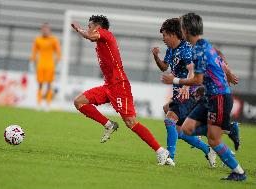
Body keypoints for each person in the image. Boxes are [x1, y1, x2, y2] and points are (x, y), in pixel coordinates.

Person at [71, 15, 169, 165]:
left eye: (90, 26)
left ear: (98, 27)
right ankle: (108, 124)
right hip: (108, 85)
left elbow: (90, 36)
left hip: (119, 85)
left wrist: (79, 29)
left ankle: (160, 151)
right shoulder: (101, 40)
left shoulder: (105, 34)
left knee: (130, 122)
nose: (88, 28)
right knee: (79, 102)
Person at [161, 12, 246, 181]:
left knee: (213, 140)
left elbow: (197, 79)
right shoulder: (202, 46)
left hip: (218, 96)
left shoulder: (198, 51)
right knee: (185, 129)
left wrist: (175, 79)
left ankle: (239, 172)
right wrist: (228, 72)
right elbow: (219, 59)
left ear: (186, 30)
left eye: (182, 27)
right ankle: (227, 128)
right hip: (208, 96)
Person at [151, 18, 216, 167]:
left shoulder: (186, 48)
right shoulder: (171, 50)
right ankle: (208, 149)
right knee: (179, 130)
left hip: (189, 93)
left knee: (169, 119)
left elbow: (192, 69)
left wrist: (186, 87)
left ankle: (169, 157)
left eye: (165, 35)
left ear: (174, 34)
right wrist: (156, 56)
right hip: (180, 92)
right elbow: (164, 67)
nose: (163, 39)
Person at [30, 23, 61, 111]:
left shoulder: (54, 40)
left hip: (50, 65)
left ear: (49, 30)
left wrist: (58, 62)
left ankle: (47, 104)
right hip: (40, 65)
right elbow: (34, 52)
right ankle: (39, 104)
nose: (45, 31)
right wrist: (32, 62)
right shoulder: (38, 40)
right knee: (40, 84)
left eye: (46, 29)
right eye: (43, 29)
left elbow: (58, 52)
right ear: (41, 30)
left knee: (49, 85)